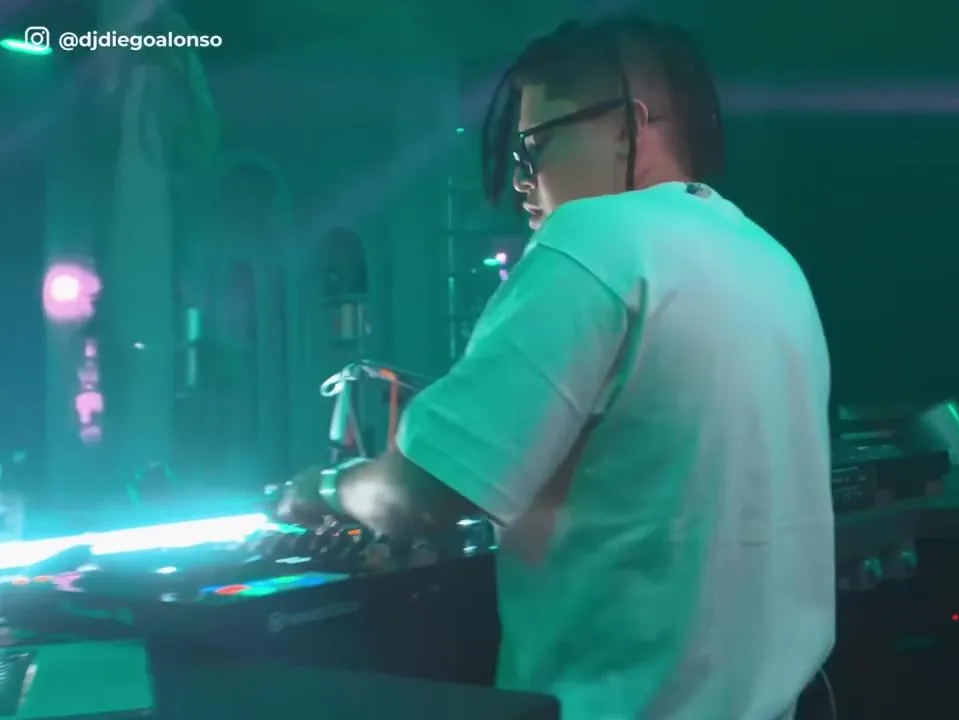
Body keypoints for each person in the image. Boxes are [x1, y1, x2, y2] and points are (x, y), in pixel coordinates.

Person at [280, 15, 834, 720]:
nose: (521, 178)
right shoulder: (769, 261)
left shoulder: (595, 236)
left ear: (626, 126)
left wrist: (321, 491)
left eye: (534, 145)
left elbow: (418, 496)